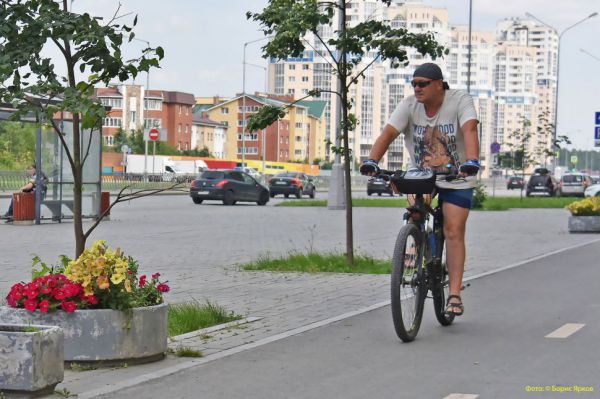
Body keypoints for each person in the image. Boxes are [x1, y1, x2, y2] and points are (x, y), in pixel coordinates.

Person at [360, 63, 480, 316]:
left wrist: (471, 162)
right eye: (414, 83)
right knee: (415, 213)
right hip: (423, 175)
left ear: (439, 84)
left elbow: (469, 128)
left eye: (423, 83)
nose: (417, 88)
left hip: (457, 176)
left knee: (453, 229)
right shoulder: (409, 105)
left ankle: (455, 294)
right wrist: (372, 161)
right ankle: (416, 250)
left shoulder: (460, 100)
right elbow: (388, 133)